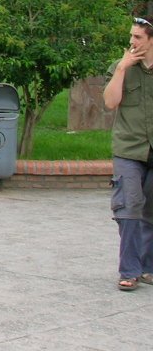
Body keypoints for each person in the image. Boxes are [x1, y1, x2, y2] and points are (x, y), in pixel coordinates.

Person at [103, 16, 153, 291]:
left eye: (138, 37)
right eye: (131, 36)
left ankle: (148, 267)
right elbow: (110, 102)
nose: (131, 42)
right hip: (129, 150)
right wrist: (122, 68)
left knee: (151, 212)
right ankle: (130, 270)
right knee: (129, 208)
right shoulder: (122, 67)